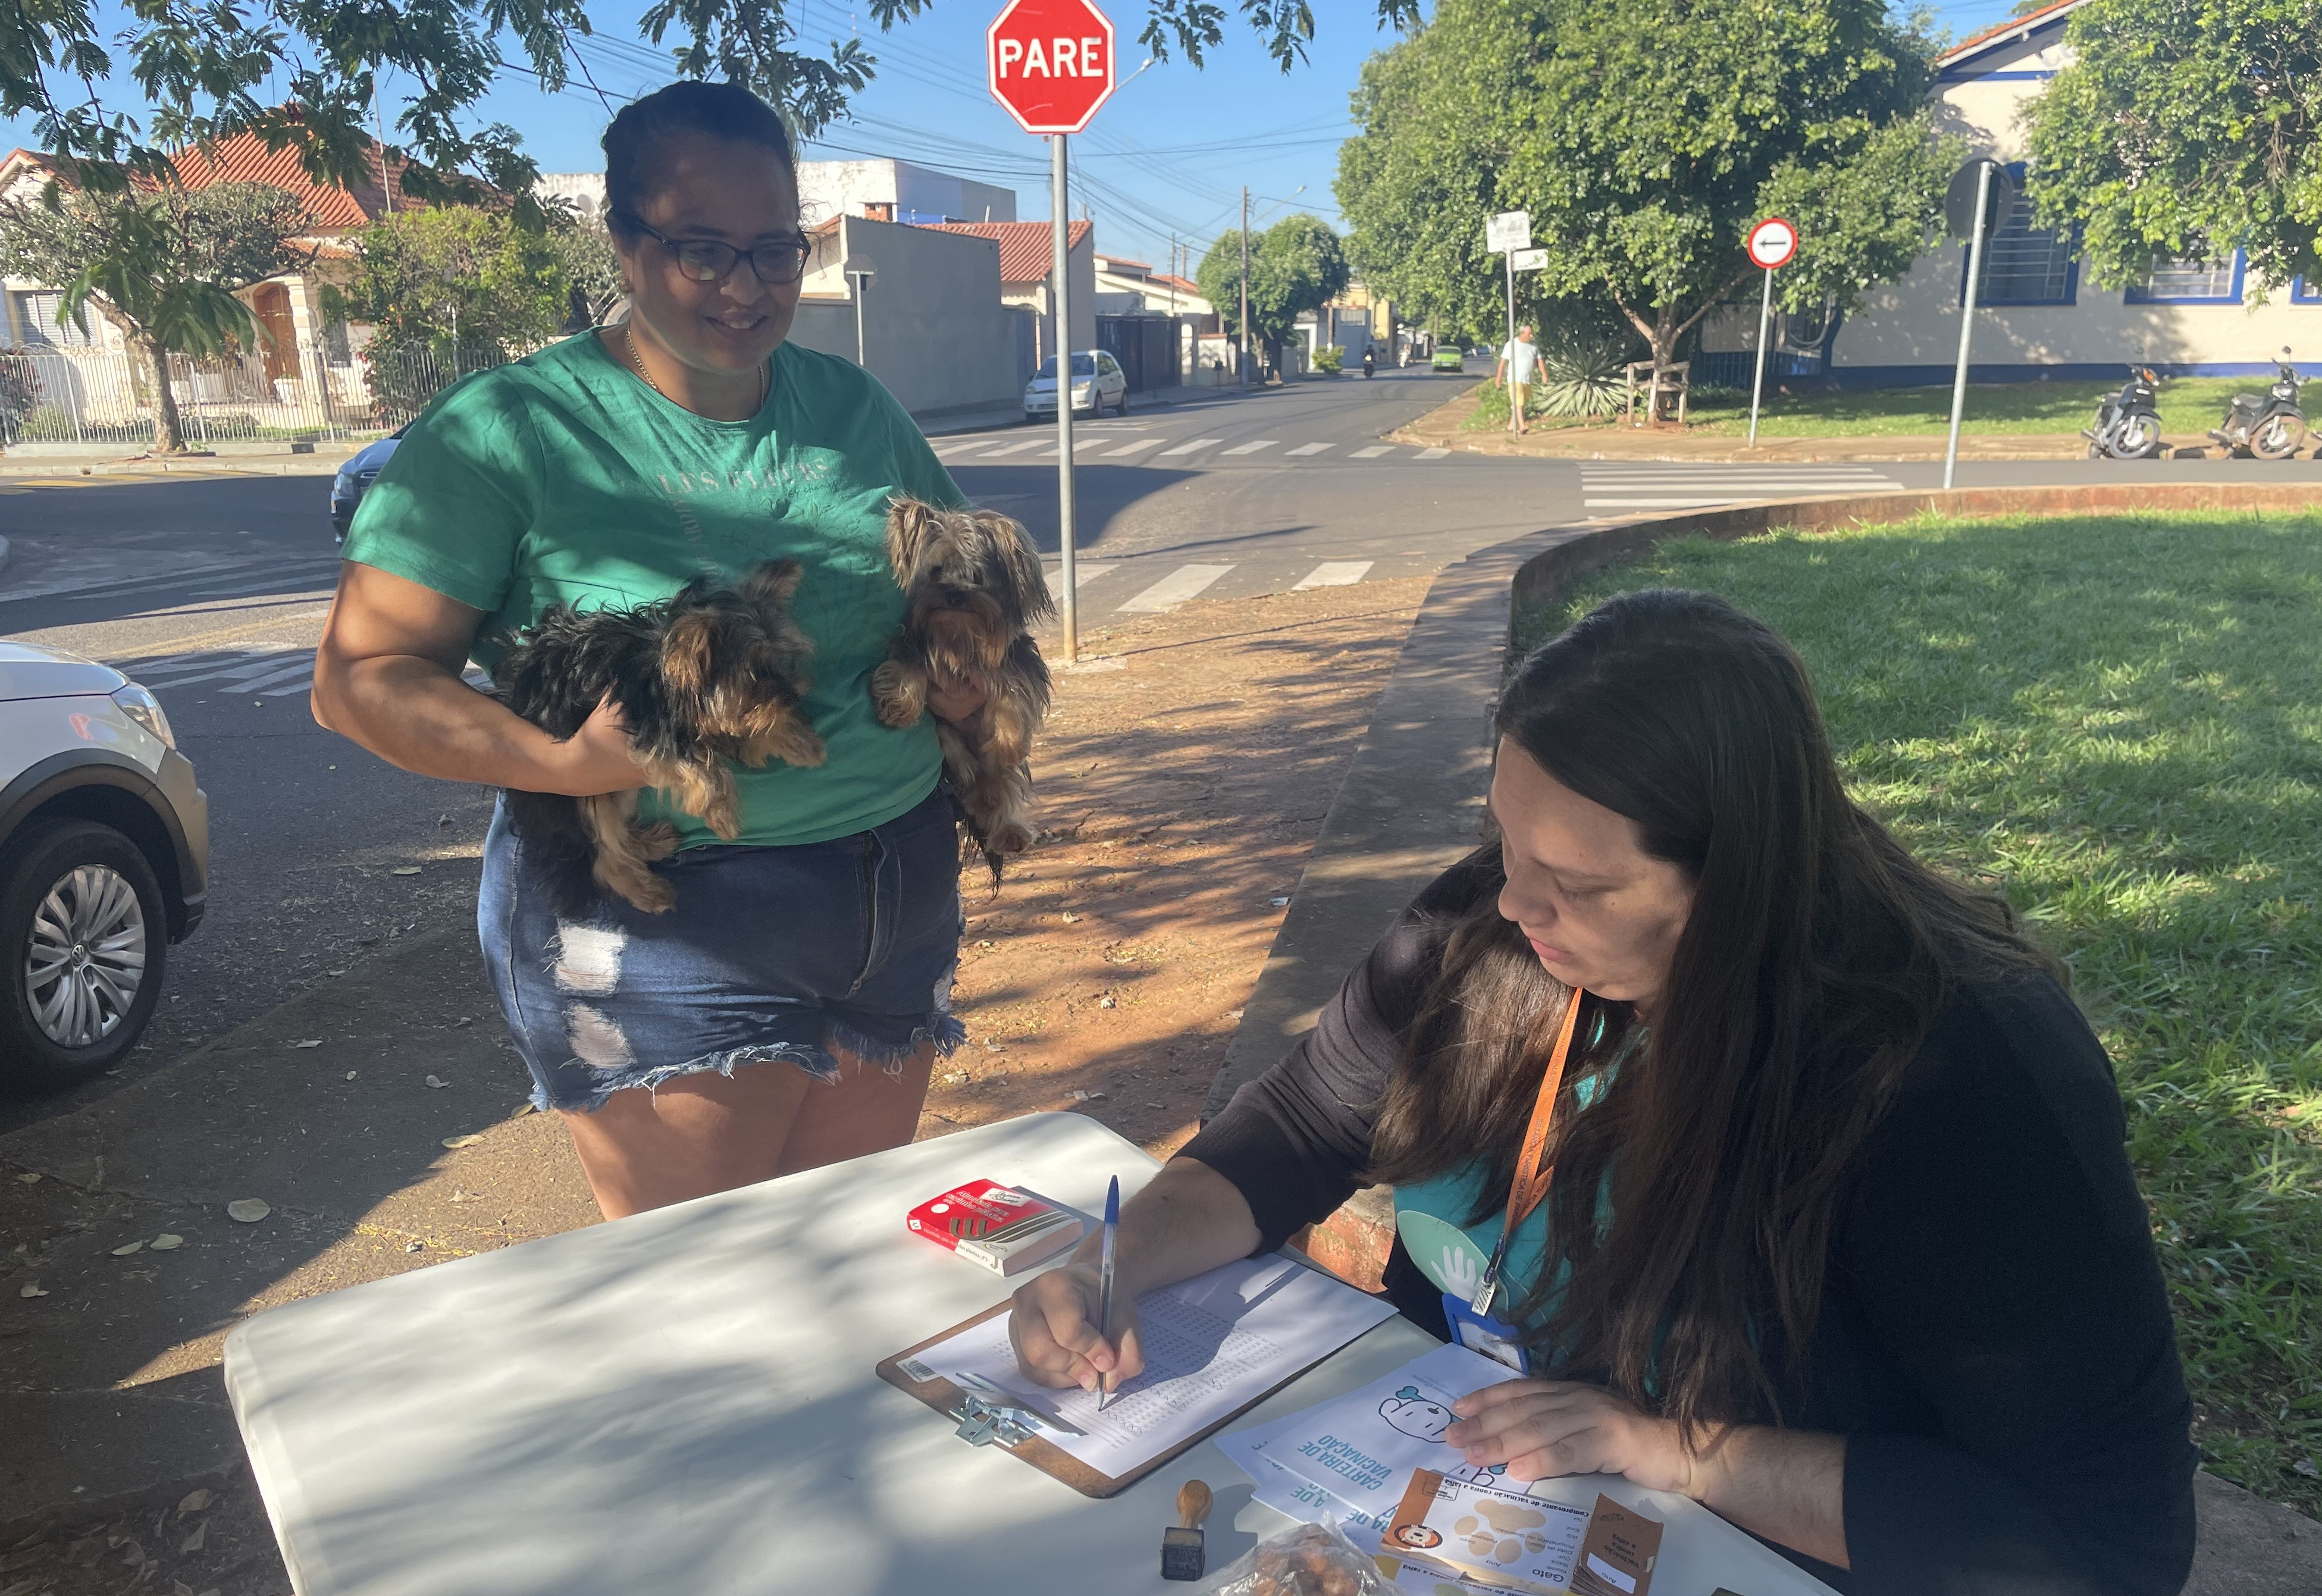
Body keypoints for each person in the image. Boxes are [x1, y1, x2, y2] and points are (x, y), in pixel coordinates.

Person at [1010, 590, 2195, 1595]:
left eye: (1571, 881)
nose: (1513, 904)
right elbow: (1303, 1125)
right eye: (1506, 844)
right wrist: (1105, 1268)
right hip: (1428, 1506)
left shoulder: (1954, 1075)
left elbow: (2099, 1538)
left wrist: (1674, 1448)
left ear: (1736, 881)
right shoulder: (1496, 918)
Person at [313, 80, 983, 1220]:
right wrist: (572, 765)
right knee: (713, 1304)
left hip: (892, 891)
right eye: (701, 250)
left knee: (855, 1267)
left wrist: (963, 673)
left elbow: (953, 596)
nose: (746, 287)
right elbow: (359, 682)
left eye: (775, 250)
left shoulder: (856, 410)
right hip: (667, 918)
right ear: (625, 247)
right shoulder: (511, 429)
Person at [1493, 323, 1540, 434]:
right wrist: (1499, 378)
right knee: (1518, 402)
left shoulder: (1532, 346)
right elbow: (1503, 362)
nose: (1531, 336)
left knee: (1520, 403)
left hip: (1527, 380)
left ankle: (1511, 425)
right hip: (1515, 379)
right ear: (1522, 333)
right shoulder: (1512, 344)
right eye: (1529, 334)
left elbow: (1537, 361)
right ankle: (1522, 425)